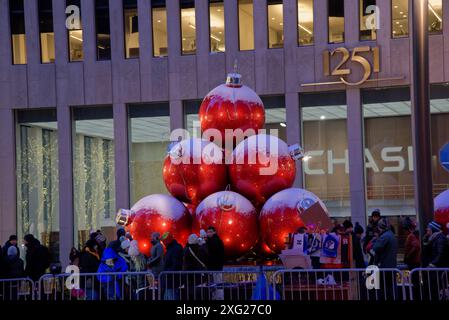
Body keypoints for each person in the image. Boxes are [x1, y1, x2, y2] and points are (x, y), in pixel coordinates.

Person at [370, 218, 398, 301]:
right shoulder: (391, 235)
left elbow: (375, 248)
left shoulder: (385, 236)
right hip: (391, 266)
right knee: (391, 288)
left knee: (384, 289)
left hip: (385, 267)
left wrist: (375, 241)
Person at [182, 234, 208, 300]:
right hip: (198, 274)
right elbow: (206, 255)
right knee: (198, 294)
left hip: (188, 274)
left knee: (188, 293)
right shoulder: (199, 249)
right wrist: (203, 244)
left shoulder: (186, 249)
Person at [161, 232, 183, 300]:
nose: (163, 244)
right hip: (169, 279)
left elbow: (176, 264)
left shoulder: (174, 249)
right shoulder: (171, 248)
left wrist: (167, 273)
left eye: (164, 242)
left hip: (171, 279)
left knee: (171, 296)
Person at [206, 226, 225, 300]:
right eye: (208, 232)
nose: (209, 233)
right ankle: (215, 298)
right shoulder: (211, 241)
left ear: (214, 232)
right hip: (213, 268)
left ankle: (219, 298)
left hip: (216, 267)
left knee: (218, 285)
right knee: (214, 285)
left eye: (210, 232)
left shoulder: (216, 241)